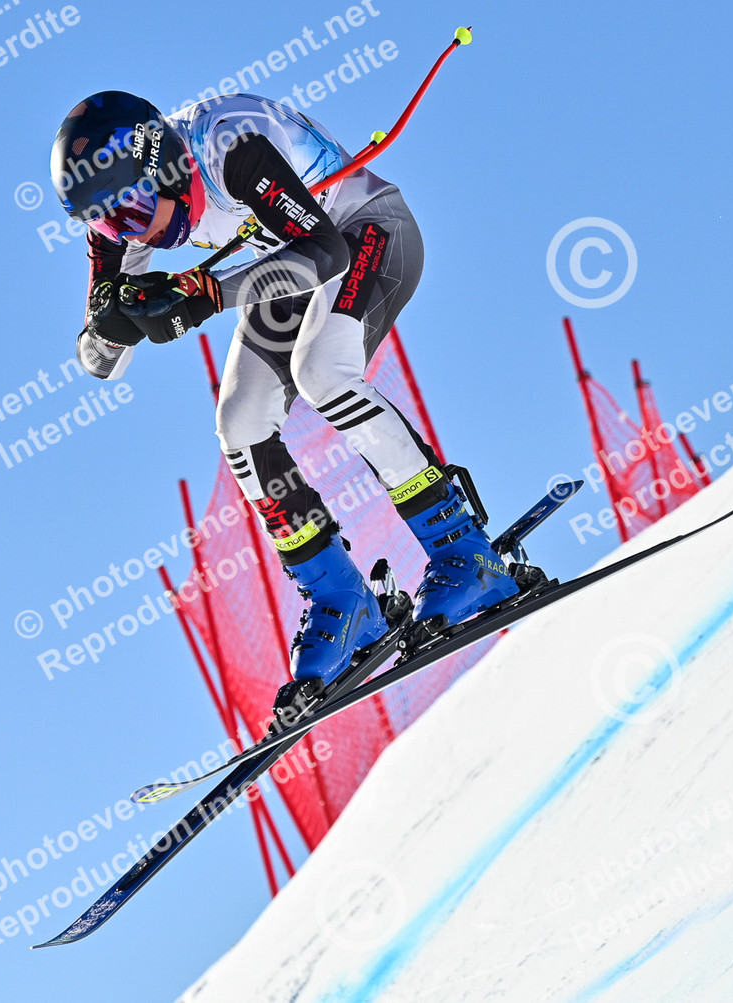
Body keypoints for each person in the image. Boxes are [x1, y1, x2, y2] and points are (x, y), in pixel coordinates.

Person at [49, 90, 516, 705]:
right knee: (240, 423)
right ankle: (340, 597)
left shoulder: (229, 145)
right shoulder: (119, 221)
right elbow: (101, 362)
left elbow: (327, 251)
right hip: (286, 268)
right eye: (108, 223)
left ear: (165, 163)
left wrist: (204, 295)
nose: (133, 231)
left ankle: (463, 551)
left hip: (362, 230)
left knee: (324, 373)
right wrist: (113, 324)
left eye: (134, 209)